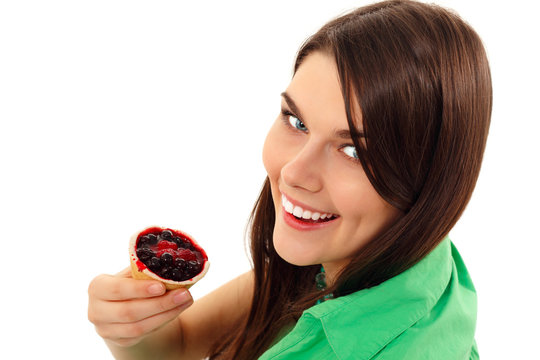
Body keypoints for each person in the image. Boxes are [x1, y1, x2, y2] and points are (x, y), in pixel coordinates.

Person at [88, 0, 491, 358]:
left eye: (354, 151)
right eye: (296, 121)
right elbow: (178, 347)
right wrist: (132, 331)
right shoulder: (374, 261)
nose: (294, 172)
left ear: (432, 180)